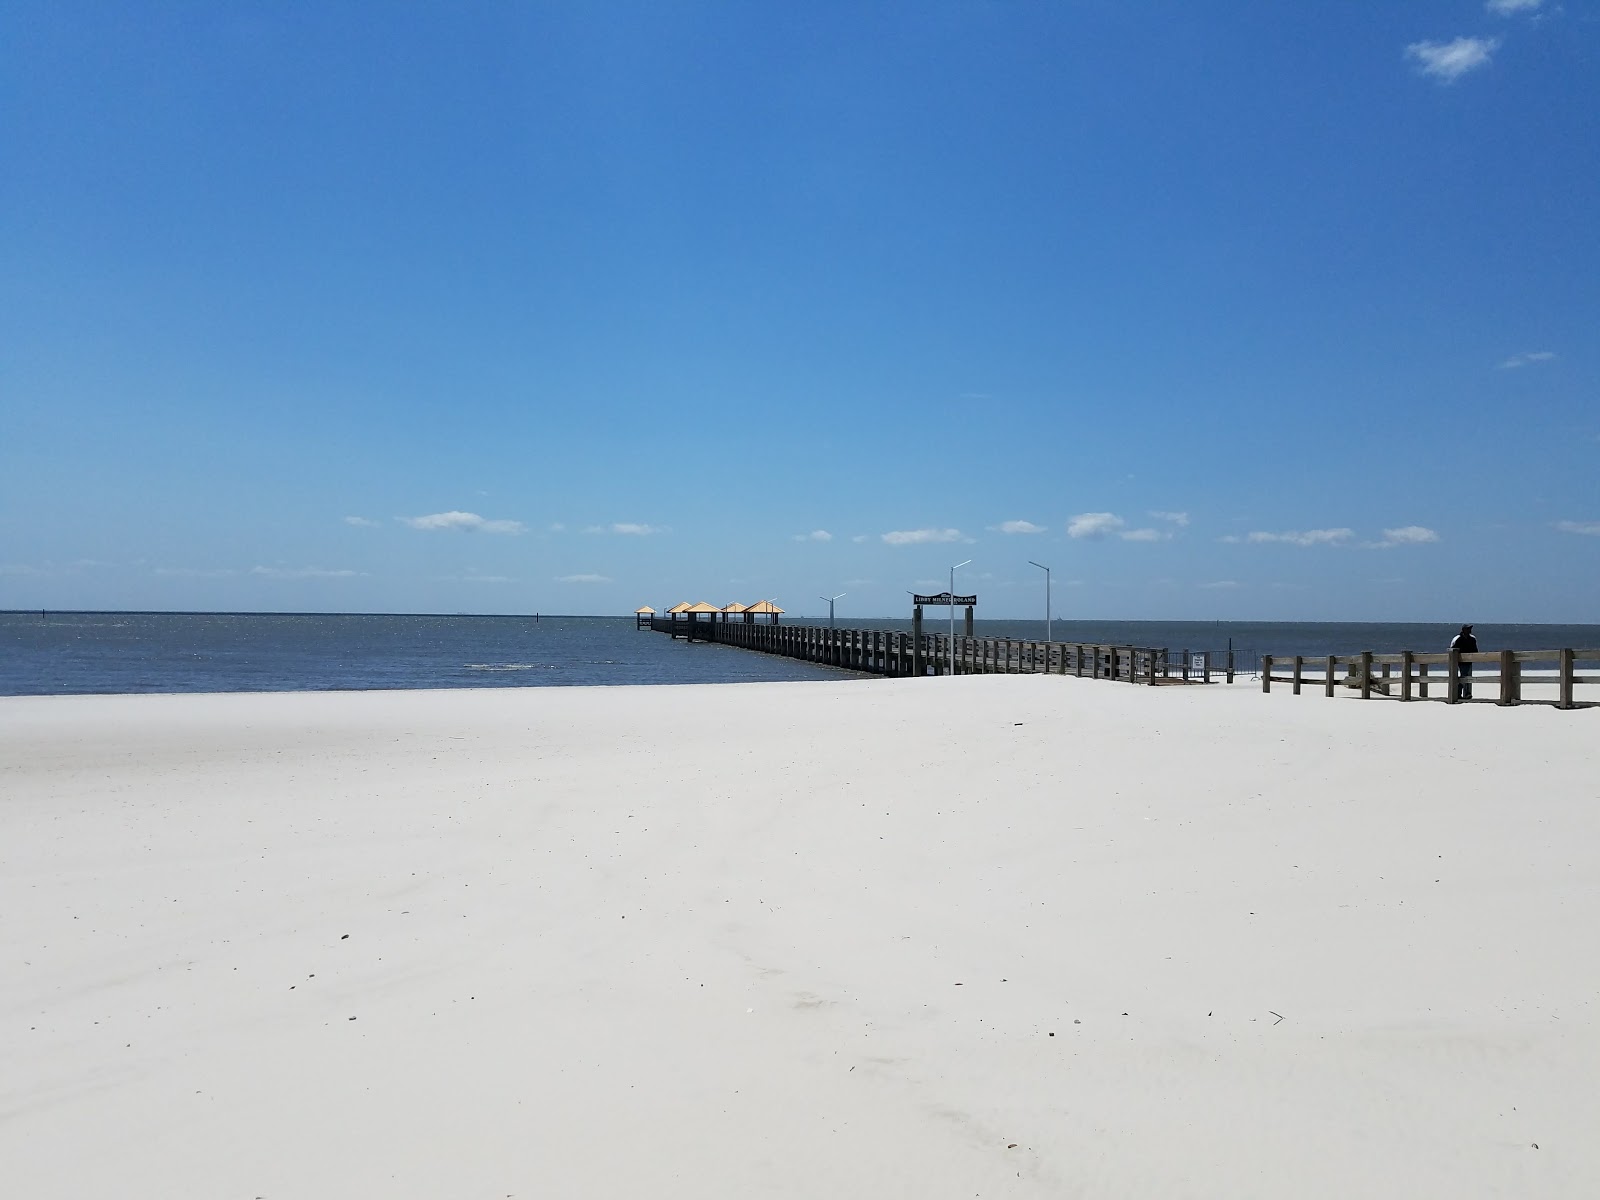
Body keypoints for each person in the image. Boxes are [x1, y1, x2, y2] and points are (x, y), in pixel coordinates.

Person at [1450, 624, 1479, 700]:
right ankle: (1460, 693)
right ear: (1463, 630)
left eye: (1470, 628)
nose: (1470, 630)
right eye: (1468, 629)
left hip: (1469, 661)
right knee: (1464, 676)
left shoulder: (1472, 639)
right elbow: (1452, 650)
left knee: (1467, 676)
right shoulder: (1458, 639)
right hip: (1459, 661)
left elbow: (1475, 650)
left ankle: (1465, 693)